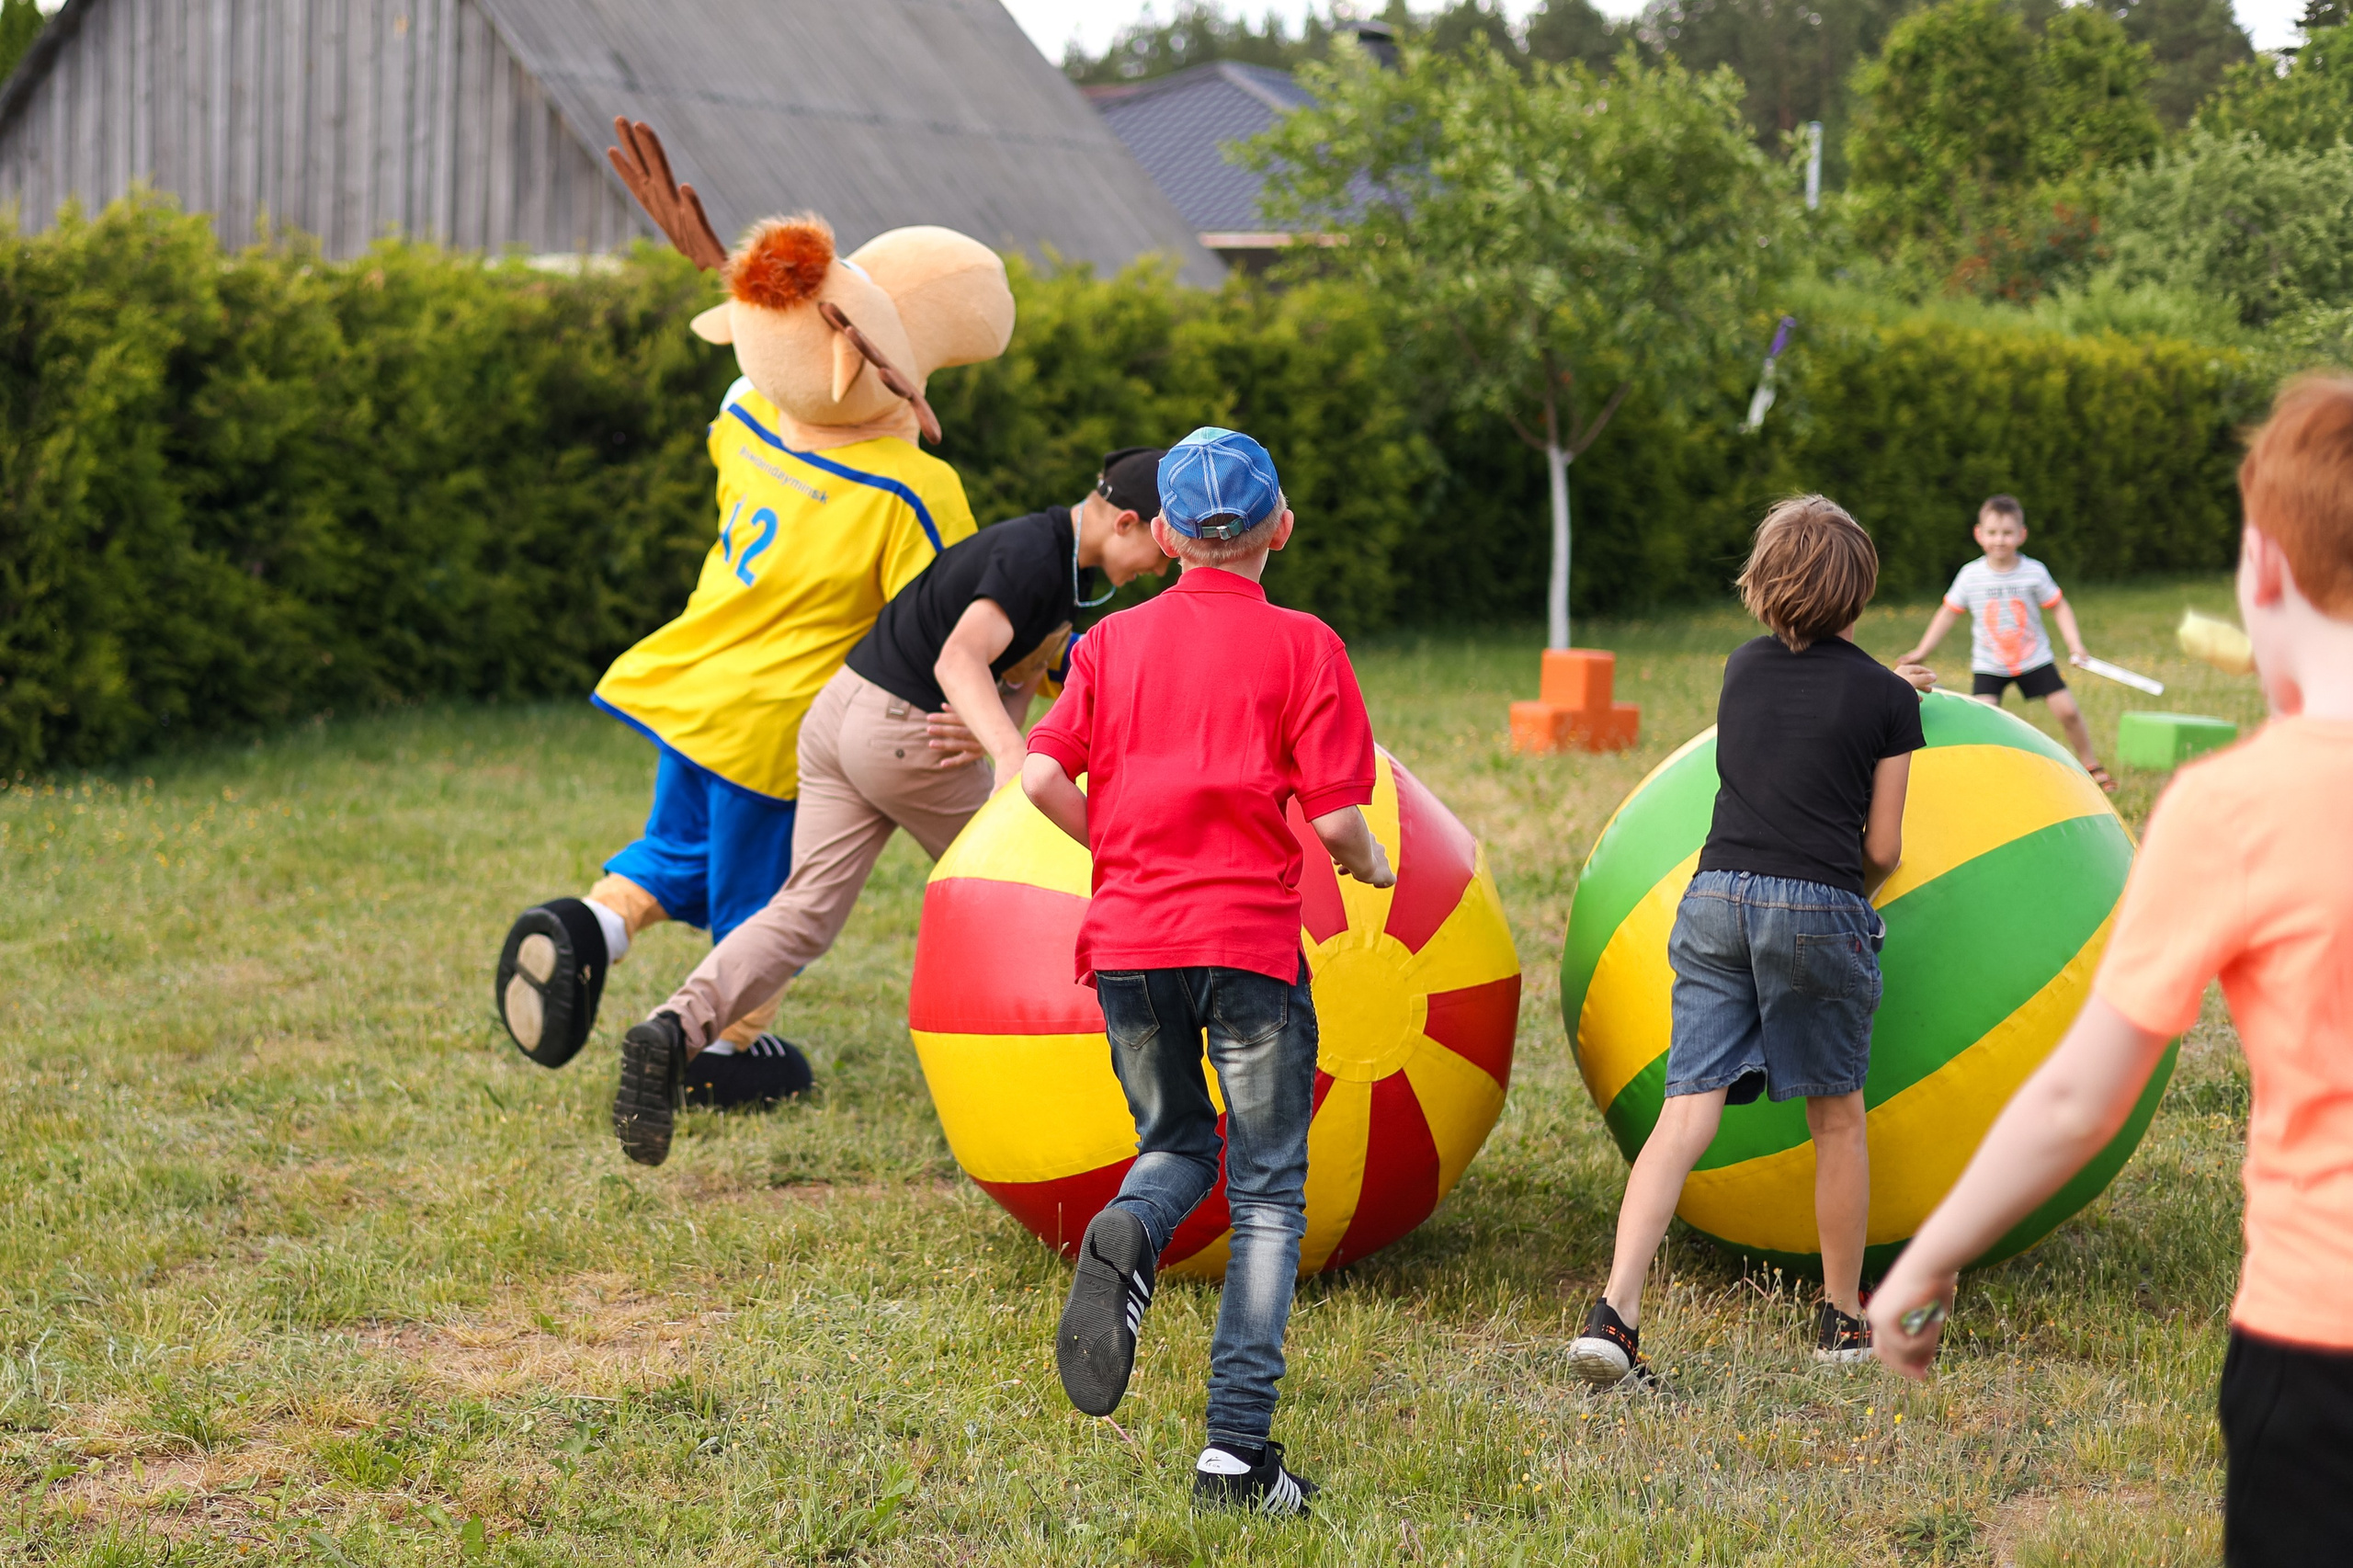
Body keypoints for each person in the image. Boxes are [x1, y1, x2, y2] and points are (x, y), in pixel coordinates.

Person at [1870, 376, 2353, 1567]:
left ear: (2269, 575)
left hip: (2322, 1338)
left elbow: (2081, 1093)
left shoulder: (2234, 806)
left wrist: (1929, 1257)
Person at [608, 449, 1175, 1165]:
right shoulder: (1036, 555)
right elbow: (959, 660)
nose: (1162, 567)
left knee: (803, 911)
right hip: (903, 740)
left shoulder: (1053, 562)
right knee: (1045, 885)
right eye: (1162, 548)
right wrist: (1008, 754)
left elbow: (1031, 670)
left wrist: (1000, 721)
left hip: (840, 719)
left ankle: (673, 1029)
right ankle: (1102, 1071)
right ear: (1127, 522)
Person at [1021, 427, 1392, 1517]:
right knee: (1269, 1192)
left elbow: (1040, 775)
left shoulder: (1108, 645)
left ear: (1168, 533)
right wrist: (1365, 867)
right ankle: (1235, 1455)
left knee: (1176, 1142)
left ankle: (1132, 1224)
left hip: (1130, 941)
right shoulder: (1306, 646)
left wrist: (1120, 853)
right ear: (1281, 527)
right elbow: (1337, 819)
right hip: (1246, 950)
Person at [1568, 495, 1932, 1389]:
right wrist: (1837, 903)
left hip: (1714, 895)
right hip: (1817, 903)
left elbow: (1797, 723)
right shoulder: (1888, 700)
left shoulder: (1739, 669)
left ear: (1761, 589)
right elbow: (1880, 848)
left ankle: (1615, 1313)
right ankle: (1840, 1322)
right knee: (1835, 1119)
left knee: (1684, 1112)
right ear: (1860, 596)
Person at [1895, 494, 2115, 791]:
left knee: (2068, 711)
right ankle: (1990, 777)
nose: (2000, 540)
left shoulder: (2034, 572)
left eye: (2008, 533)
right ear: (1979, 535)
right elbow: (1948, 613)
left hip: (2034, 659)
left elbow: (2059, 606)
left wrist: (2075, 644)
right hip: (1990, 664)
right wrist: (1922, 651)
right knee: (1982, 722)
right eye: (1993, 533)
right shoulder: (1970, 576)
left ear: (2022, 535)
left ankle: (2091, 765)